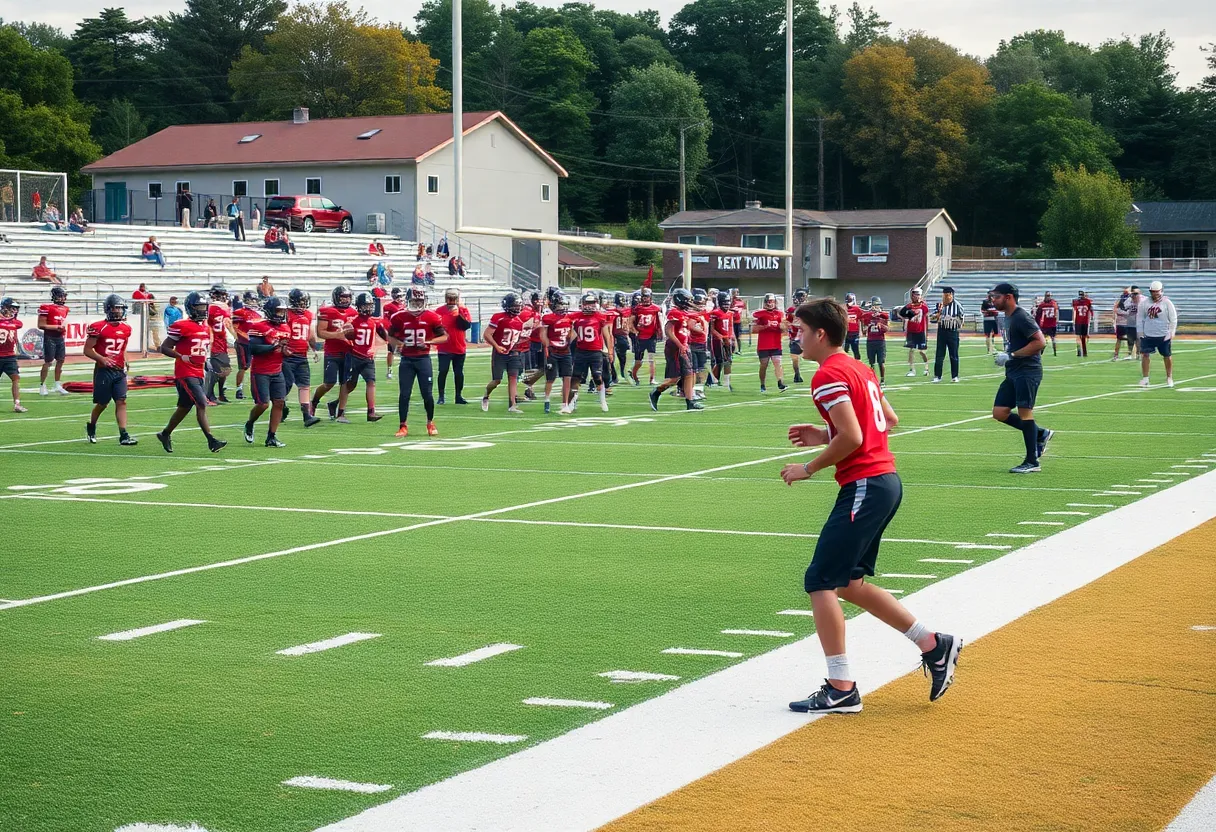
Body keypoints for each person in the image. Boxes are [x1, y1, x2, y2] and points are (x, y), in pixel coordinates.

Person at [779, 297, 960, 714]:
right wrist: (826, 434)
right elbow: (887, 420)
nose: (797, 336)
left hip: (866, 482)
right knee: (848, 583)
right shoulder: (858, 366)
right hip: (883, 481)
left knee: (820, 579)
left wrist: (809, 466)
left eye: (801, 330)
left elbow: (855, 438)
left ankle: (841, 686)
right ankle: (933, 645)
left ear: (820, 333)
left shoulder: (828, 373)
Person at [989, 283, 1054, 474]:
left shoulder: (1021, 316)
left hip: (1027, 371)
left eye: (997, 296)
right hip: (1013, 371)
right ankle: (1040, 433)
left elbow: (1040, 343)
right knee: (999, 412)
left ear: (1008, 297)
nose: (993, 300)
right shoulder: (1007, 317)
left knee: (1026, 413)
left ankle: (1032, 461)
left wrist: (1012, 356)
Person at [156, 292, 227, 454]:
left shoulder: (205, 326)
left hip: (198, 372)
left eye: (204, 307)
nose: (202, 310)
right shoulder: (181, 325)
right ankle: (211, 440)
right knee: (201, 403)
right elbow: (165, 348)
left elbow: (202, 348)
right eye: (199, 307)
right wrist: (181, 356)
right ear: (191, 308)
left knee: (184, 407)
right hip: (185, 372)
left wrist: (207, 361)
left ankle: (165, 433)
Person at [387, 287, 447, 437]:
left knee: (427, 393)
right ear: (408, 300)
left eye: (420, 301)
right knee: (404, 394)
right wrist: (399, 344)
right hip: (407, 360)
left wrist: (428, 341)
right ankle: (403, 426)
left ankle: (430, 423)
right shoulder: (398, 317)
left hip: (423, 358)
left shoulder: (432, 317)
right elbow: (390, 336)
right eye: (414, 301)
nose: (417, 304)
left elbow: (444, 337)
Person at [84, 294, 137, 446]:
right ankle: (92, 426)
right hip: (103, 371)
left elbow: (123, 348)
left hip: (119, 371)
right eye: (115, 307)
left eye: (120, 308)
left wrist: (126, 360)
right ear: (108, 309)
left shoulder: (126, 328)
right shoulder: (99, 326)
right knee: (102, 403)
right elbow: (87, 350)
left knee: (121, 401)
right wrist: (102, 359)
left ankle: (124, 434)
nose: (118, 311)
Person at [243, 296, 291, 447]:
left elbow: (283, 350)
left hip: (277, 370)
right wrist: (274, 346)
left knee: (279, 402)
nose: (280, 314)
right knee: (263, 404)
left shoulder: (285, 328)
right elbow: (254, 349)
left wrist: (286, 351)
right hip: (261, 371)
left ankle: (271, 436)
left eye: (282, 311)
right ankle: (250, 423)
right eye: (278, 311)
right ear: (270, 311)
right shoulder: (258, 327)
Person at [336, 292, 388, 425]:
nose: (368, 309)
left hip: (368, 357)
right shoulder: (352, 321)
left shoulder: (375, 321)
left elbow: (385, 336)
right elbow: (345, 334)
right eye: (365, 306)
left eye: (370, 306)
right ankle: (340, 412)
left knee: (371, 383)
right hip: (354, 356)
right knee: (349, 384)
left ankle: (371, 412)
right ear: (358, 307)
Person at [649, 288, 703, 411]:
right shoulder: (674, 312)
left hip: (684, 345)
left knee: (690, 374)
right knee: (675, 378)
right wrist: (680, 345)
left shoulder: (684, 312)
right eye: (687, 300)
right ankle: (656, 392)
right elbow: (668, 331)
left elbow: (688, 324)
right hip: (675, 348)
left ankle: (690, 402)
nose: (689, 302)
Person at [311, 286, 357, 421]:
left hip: (348, 352)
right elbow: (320, 332)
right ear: (336, 297)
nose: (345, 300)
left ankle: (340, 412)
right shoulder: (327, 311)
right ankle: (314, 401)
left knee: (345, 383)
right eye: (342, 297)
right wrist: (338, 335)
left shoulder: (353, 312)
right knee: (329, 383)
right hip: (332, 352)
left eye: (347, 297)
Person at [283, 288, 321, 427]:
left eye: (304, 302)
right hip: (287, 356)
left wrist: (314, 349)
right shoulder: (286, 314)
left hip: (302, 356)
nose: (302, 304)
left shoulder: (308, 315)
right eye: (299, 302)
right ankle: (281, 407)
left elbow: (310, 334)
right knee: (285, 385)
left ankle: (306, 416)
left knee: (304, 385)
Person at [569, 291, 613, 412]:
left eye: (592, 303)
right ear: (582, 304)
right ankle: (572, 401)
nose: (589, 306)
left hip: (595, 351)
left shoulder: (600, 317)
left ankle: (603, 400)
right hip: (581, 351)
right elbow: (572, 334)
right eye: (587, 303)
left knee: (597, 377)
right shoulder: (576, 316)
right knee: (576, 377)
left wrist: (610, 351)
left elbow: (606, 335)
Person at [482, 292, 526, 412]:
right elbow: (486, 334)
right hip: (499, 353)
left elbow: (517, 338)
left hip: (513, 352)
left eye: (519, 306)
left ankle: (512, 405)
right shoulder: (498, 317)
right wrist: (496, 346)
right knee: (497, 380)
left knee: (513, 378)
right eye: (515, 306)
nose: (517, 308)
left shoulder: (519, 322)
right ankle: (486, 395)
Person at [1137, 280, 1178, 388]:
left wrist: (1171, 332)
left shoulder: (1167, 302)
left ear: (1161, 291)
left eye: (1157, 291)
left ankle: (1169, 377)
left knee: (1167, 356)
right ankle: (1145, 378)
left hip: (1163, 334)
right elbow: (1140, 318)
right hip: (1148, 334)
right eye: (1152, 291)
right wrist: (1140, 332)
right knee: (1145, 355)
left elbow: (1173, 319)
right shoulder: (1144, 303)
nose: (1154, 294)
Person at [435, 287, 472, 405]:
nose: (450, 300)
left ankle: (458, 396)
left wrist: (461, 309)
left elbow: (466, 324)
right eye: (449, 298)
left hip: (458, 346)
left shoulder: (462, 310)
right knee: (443, 371)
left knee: (458, 372)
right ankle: (441, 396)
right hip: (444, 347)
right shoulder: (439, 310)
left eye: (453, 298)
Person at [541, 293, 576, 413]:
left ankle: (565, 404)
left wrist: (569, 343)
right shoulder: (548, 318)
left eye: (564, 304)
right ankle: (547, 400)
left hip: (566, 351)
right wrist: (548, 346)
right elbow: (543, 334)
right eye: (560, 304)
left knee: (567, 377)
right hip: (553, 351)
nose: (562, 307)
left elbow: (573, 333)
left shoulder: (570, 317)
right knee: (550, 378)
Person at [205, 285, 235, 405]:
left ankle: (220, 394)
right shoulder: (219, 308)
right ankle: (209, 395)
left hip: (221, 341)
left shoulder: (212, 307)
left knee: (224, 370)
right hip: (215, 342)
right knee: (217, 370)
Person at [752, 293, 788, 393]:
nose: (770, 304)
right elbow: (753, 329)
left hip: (776, 343)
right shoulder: (759, 314)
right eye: (768, 302)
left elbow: (784, 328)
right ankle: (762, 384)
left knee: (778, 363)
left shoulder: (780, 314)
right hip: (763, 344)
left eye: (771, 301)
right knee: (764, 365)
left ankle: (780, 382)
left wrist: (783, 326)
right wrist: (765, 326)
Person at [38, 285, 70, 396]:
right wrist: (56, 327)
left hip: (60, 337)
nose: (62, 298)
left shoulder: (65, 309)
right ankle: (42, 384)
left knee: (60, 361)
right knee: (48, 362)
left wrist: (60, 329)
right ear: (54, 296)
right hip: (50, 337)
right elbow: (41, 325)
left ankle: (57, 384)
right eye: (60, 296)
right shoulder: (46, 307)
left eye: (63, 296)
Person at [231, 291, 263, 400]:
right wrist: (246, 337)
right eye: (251, 300)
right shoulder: (240, 312)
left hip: (254, 343)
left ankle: (256, 388)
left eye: (254, 300)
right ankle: (239, 389)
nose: (253, 302)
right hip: (243, 343)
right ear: (246, 300)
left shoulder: (258, 314)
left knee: (256, 366)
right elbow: (235, 327)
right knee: (244, 367)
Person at [931, 285, 964, 383]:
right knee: (939, 354)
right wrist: (938, 315)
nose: (945, 298)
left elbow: (962, 319)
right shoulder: (940, 305)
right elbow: (932, 318)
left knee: (953, 354)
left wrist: (954, 320)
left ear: (951, 295)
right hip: (941, 331)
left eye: (947, 295)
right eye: (943, 296)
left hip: (953, 332)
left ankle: (955, 376)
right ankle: (937, 376)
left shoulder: (957, 305)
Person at [0, 297, 27, 412]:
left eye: (15, 309)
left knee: (15, 378)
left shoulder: (15, 322)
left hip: (10, 355)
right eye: (12, 308)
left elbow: (18, 324)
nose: (13, 311)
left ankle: (17, 404)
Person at [630, 287, 662, 385]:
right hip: (640, 337)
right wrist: (635, 331)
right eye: (644, 297)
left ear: (650, 297)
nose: (645, 299)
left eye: (647, 297)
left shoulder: (656, 308)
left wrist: (660, 332)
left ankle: (652, 379)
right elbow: (631, 322)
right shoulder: (637, 309)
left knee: (652, 359)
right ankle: (633, 375)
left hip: (651, 336)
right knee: (638, 362)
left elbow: (659, 321)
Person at [898, 287, 930, 377]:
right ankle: (912, 370)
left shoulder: (923, 306)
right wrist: (907, 316)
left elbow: (926, 316)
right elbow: (900, 313)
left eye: (918, 294)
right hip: (911, 332)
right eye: (915, 294)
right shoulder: (909, 306)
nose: (917, 297)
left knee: (922, 352)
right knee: (911, 350)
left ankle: (926, 368)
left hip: (920, 332)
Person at [709, 290, 735, 390]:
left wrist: (733, 338)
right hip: (717, 340)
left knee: (729, 361)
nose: (727, 305)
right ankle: (714, 380)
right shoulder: (715, 313)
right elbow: (711, 329)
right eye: (724, 302)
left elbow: (731, 326)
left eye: (728, 302)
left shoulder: (730, 313)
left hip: (728, 339)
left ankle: (726, 382)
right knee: (720, 361)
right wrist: (721, 338)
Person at [862, 296, 890, 386]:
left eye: (878, 305)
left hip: (880, 341)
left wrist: (880, 325)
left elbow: (887, 328)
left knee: (881, 362)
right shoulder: (868, 315)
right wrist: (867, 327)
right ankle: (872, 379)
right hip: (870, 340)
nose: (876, 307)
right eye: (875, 305)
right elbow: (864, 330)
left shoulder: (883, 315)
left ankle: (882, 380)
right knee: (871, 362)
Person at [786, 288, 811, 383]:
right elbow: (788, 322)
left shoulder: (808, 308)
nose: (802, 299)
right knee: (795, 357)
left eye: (803, 297)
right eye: (800, 297)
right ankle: (797, 374)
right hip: (795, 336)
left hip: (806, 335)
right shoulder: (792, 310)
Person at [382, 287, 403, 381]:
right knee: (391, 351)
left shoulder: (403, 306)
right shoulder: (388, 306)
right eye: (398, 296)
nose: (400, 298)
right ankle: (389, 370)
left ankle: (404, 369)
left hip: (402, 332)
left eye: (400, 296)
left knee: (404, 351)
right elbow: (386, 320)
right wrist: (389, 332)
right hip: (393, 332)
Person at [1034, 290, 1060, 357]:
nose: (1049, 297)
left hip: (1050, 324)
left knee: (1052, 338)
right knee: (1045, 339)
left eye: (1050, 296)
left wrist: (1056, 320)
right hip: (1045, 324)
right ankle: (1042, 352)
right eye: (1048, 296)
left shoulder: (1043, 304)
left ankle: (1054, 352)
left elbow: (1038, 315)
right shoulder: (1053, 303)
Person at [1072, 290, 1094, 358]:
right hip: (1084, 321)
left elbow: (1074, 312)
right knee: (1083, 338)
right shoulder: (1088, 301)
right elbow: (1090, 311)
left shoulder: (1076, 302)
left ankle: (1079, 352)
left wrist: (1073, 321)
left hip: (1078, 321)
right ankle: (1084, 352)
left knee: (1079, 337)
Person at [1124, 286, 1143, 360]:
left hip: (1139, 323)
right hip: (1130, 322)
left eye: (1136, 293)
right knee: (1130, 339)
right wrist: (1132, 301)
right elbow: (1125, 307)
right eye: (1133, 293)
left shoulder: (1143, 300)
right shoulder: (1129, 300)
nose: (1135, 295)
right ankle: (1129, 354)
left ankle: (1138, 354)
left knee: (1139, 339)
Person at [843, 292, 862, 361]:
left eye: (850, 300)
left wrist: (860, 331)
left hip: (855, 333)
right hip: (846, 333)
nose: (849, 302)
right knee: (844, 351)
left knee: (856, 350)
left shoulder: (857, 309)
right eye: (848, 300)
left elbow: (860, 320)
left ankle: (858, 365)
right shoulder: (844, 309)